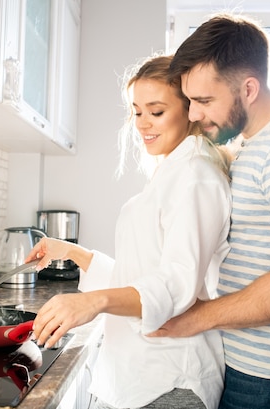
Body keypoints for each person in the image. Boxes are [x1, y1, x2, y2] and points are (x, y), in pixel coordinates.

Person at [148, 13, 270, 409]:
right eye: (190, 101)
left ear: (249, 88)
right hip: (251, 362)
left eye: (204, 101)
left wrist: (199, 317)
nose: (192, 115)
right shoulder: (252, 144)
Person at [26, 55, 231, 409]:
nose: (143, 124)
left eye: (156, 111)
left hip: (170, 380)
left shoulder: (196, 176)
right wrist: (74, 252)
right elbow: (140, 272)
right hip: (139, 376)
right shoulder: (173, 171)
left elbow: (176, 283)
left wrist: (94, 301)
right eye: (137, 112)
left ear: (189, 110)